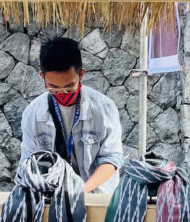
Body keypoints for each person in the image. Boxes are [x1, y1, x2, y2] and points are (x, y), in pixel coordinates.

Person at [20, 37, 123, 193]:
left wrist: (81, 191)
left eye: (69, 87)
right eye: (53, 88)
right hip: (51, 197)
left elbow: (111, 159)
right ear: (43, 77)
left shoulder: (103, 108)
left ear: (81, 75)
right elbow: (28, 163)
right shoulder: (33, 113)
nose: (62, 94)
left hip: (96, 196)